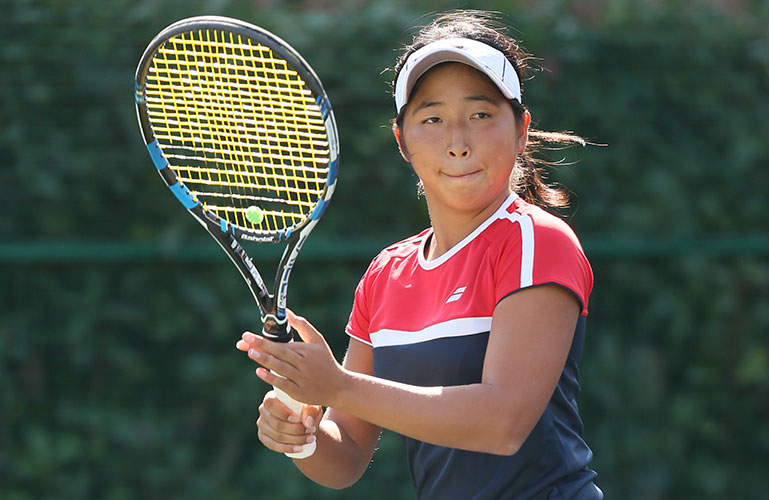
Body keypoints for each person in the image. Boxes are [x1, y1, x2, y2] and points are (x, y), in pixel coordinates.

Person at [236, 10, 602, 499]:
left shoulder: (537, 241)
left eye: (481, 115)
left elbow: (503, 422)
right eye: (432, 118)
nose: (457, 142)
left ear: (520, 129)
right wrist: (302, 435)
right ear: (402, 141)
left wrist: (336, 386)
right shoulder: (387, 274)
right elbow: (345, 455)